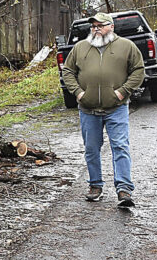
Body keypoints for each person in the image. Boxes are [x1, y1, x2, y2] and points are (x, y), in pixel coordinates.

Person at [60, 12, 146, 207]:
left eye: (100, 25)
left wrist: (123, 92)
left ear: (111, 27)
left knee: (120, 147)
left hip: (116, 107)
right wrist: (79, 93)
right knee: (91, 149)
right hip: (88, 108)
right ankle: (95, 185)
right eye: (93, 26)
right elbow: (67, 71)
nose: (96, 29)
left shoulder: (126, 46)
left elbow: (138, 70)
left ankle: (124, 189)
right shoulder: (81, 47)